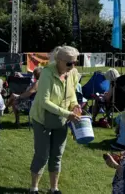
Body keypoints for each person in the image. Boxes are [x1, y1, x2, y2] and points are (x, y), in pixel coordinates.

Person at [28, 46, 81, 194]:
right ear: (58, 60)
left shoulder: (73, 73)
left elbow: (72, 95)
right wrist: (67, 113)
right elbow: (44, 102)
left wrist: (75, 105)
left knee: (57, 154)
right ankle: (34, 188)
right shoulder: (46, 73)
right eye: (69, 63)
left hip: (61, 119)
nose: (73, 66)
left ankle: (54, 188)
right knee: (42, 154)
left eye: (75, 62)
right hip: (42, 119)